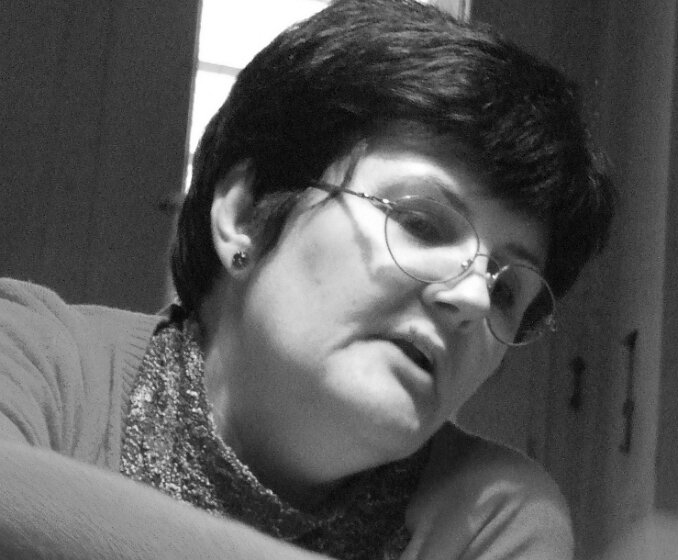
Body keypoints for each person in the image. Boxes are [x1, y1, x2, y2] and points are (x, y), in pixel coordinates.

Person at [0, 0, 614, 558]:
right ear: (244, 215)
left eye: (506, 291)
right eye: (421, 223)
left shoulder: (496, 517)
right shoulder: (39, 357)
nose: (474, 296)